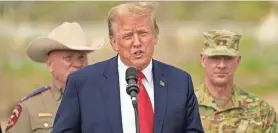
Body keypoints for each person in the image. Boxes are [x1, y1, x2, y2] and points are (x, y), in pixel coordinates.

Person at [52, 2, 204, 133]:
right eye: (128, 36)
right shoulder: (83, 83)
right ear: (114, 43)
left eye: (143, 33)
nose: (137, 42)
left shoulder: (180, 82)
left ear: (155, 36)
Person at [5, 22, 103, 133]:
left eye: (81, 57)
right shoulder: (31, 107)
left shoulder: (104, 100)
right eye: (68, 58)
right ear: (50, 64)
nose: (77, 64)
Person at [195, 29, 278, 132]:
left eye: (228, 58)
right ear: (203, 60)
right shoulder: (184, 107)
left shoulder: (261, 111)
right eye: (215, 57)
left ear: (238, 61)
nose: (221, 65)